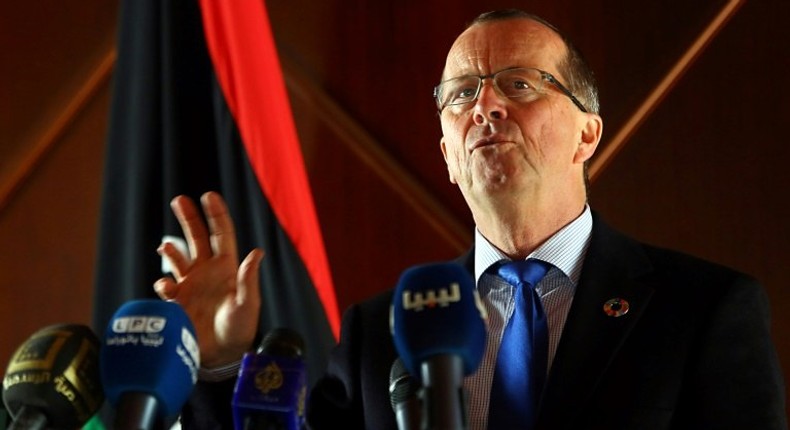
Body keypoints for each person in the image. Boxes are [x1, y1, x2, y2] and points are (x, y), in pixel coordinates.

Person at [154, 9, 787, 430]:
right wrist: (218, 363)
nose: (484, 104)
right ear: (448, 156)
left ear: (587, 135)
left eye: (518, 84)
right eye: (462, 93)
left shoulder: (702, 308)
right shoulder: (382, 332)